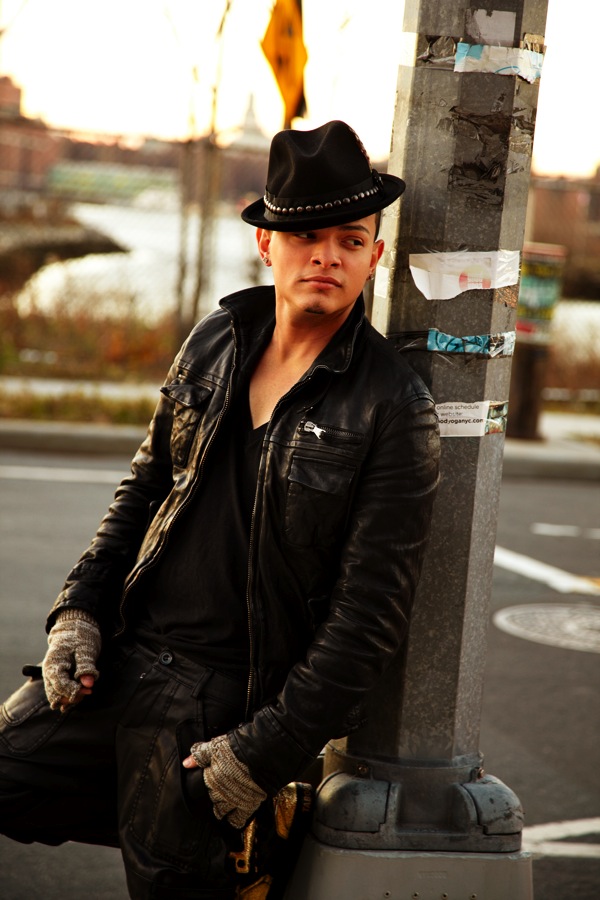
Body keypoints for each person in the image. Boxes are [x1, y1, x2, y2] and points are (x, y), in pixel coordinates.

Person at [0, 120, 440, 898]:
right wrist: (78, 611)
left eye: (350, 240)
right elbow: (144, 489)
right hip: (128, 654)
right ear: (267, 244)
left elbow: (367, 620)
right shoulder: (217, 339)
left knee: (168, 878)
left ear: (374, 255)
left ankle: (225, 816)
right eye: (305, 236)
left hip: (225, 694)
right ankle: (239, 825)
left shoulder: (392, 406)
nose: (327, 256)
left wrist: (260, 756)